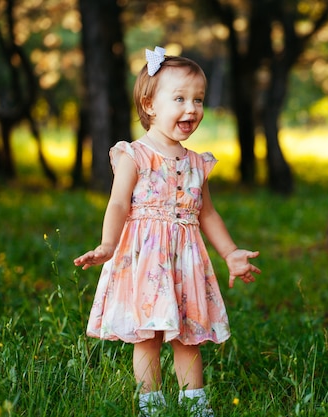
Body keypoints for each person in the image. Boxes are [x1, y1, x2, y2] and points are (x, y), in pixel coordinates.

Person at [73, 46, 261, 417]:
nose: (191, 108)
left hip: (186, 260)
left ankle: (195, 405)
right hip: (146, 260)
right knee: (149, 336)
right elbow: (118, 204)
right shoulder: (135, 155)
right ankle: (151, 406)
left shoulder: (196, 163)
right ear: (149, 104)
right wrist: (108, 244)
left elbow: (207, 214)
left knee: (188, 334)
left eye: (198, 100)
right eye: (180, 98)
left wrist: (230, 252)